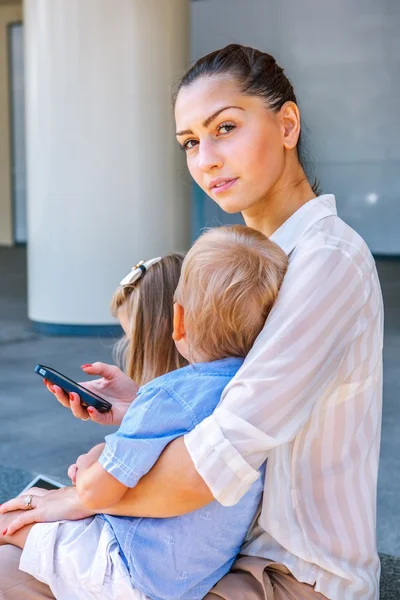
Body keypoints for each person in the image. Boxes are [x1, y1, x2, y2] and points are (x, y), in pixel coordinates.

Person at [0, 44, 383, 600]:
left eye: (224, 127)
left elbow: (207, 467)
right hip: (212, 545)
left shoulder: (326, 261)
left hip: (288, 572)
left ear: (287, 123)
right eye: (190, 142)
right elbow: (239, 410)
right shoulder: (263, 254)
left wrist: (74, 500)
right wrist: (145, 406)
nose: (206, 158)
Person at [1, 225, 288, 600]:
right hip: (189, 578)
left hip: (127, 570)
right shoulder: (248, 393)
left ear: (179, 321)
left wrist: (92, 459)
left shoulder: (166, 395)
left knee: (8, 520)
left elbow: (97, 488)